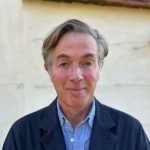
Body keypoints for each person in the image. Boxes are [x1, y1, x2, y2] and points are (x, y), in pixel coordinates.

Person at [2, 19, 150, 150]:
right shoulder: (21, 135)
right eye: (64, 64)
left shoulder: (131, 132)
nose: (76, 76)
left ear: (100, 68)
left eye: (87, 63)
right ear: (49, 70)